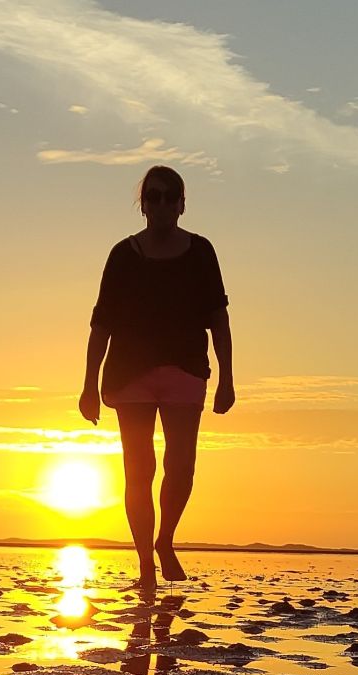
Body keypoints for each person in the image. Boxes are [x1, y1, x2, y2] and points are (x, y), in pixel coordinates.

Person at [80, 166, 234, 591]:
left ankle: (165, 540)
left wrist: (227, 377)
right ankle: (145, 563)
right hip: (130, 374)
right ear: (143, 204)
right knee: (138, 470)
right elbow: (100, 324)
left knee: (181, 467)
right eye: (154, 196)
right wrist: (88, 384)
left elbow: (218, 317)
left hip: (185, 369)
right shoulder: (123, 255)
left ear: (182, 204)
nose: (162, 204)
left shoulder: (201, 252)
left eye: (171, 197)